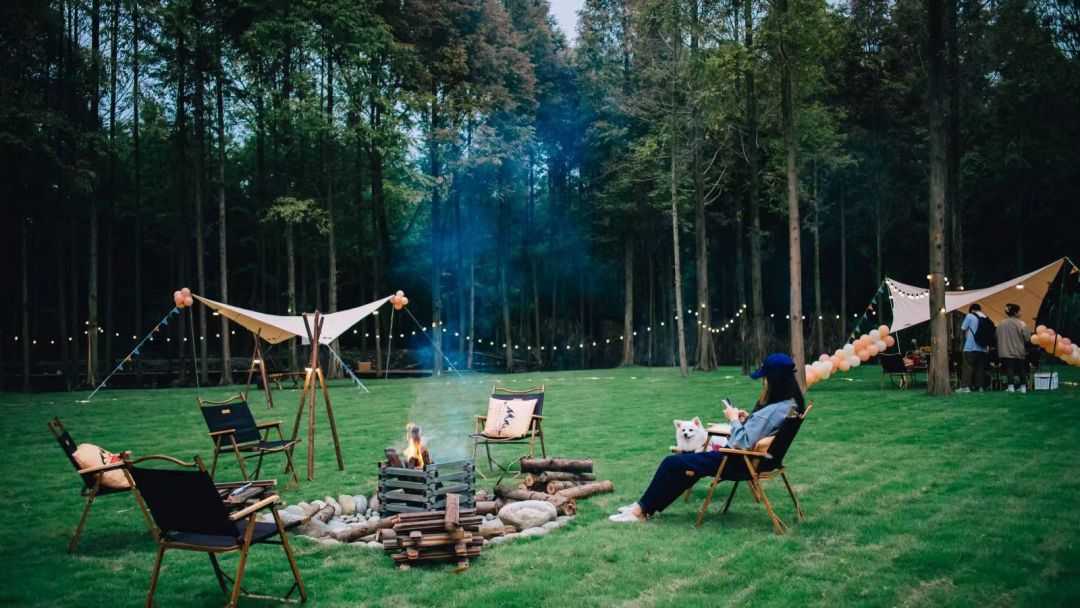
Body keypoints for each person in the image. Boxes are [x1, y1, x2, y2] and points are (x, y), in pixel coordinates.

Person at [609, 353, 806, 523]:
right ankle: (644, 507)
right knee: (688, 468)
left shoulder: (771, 410)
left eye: (765, 379)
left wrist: (734, 419)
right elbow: (760, 431)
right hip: (756, 461)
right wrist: (748, 419)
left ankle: (640, 511)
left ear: (774, 381)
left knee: (670, 463)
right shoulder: (791, 405)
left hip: (735, 460)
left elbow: (742, 442)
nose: (763, 383)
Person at [996, 303, 1031, 393]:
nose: (1020, 312)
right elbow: (1027, 337)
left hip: (1005, 350)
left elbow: (996, 336)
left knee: (1009, 368)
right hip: (1018, 350)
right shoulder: (1021, 323)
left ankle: (1010, 387)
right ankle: (1023, 387)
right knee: (1021, 369)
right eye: (1019, 311)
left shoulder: (1001, 323)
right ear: (1016, 312)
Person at [957, 303, 989, 393]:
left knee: (967, 366)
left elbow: (963, 328)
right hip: (982, 347)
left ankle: (965, 387)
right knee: (980, 368)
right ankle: (981, 387)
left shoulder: (970, 316)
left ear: (971, 310)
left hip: (970, 347)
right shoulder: (985, 317)